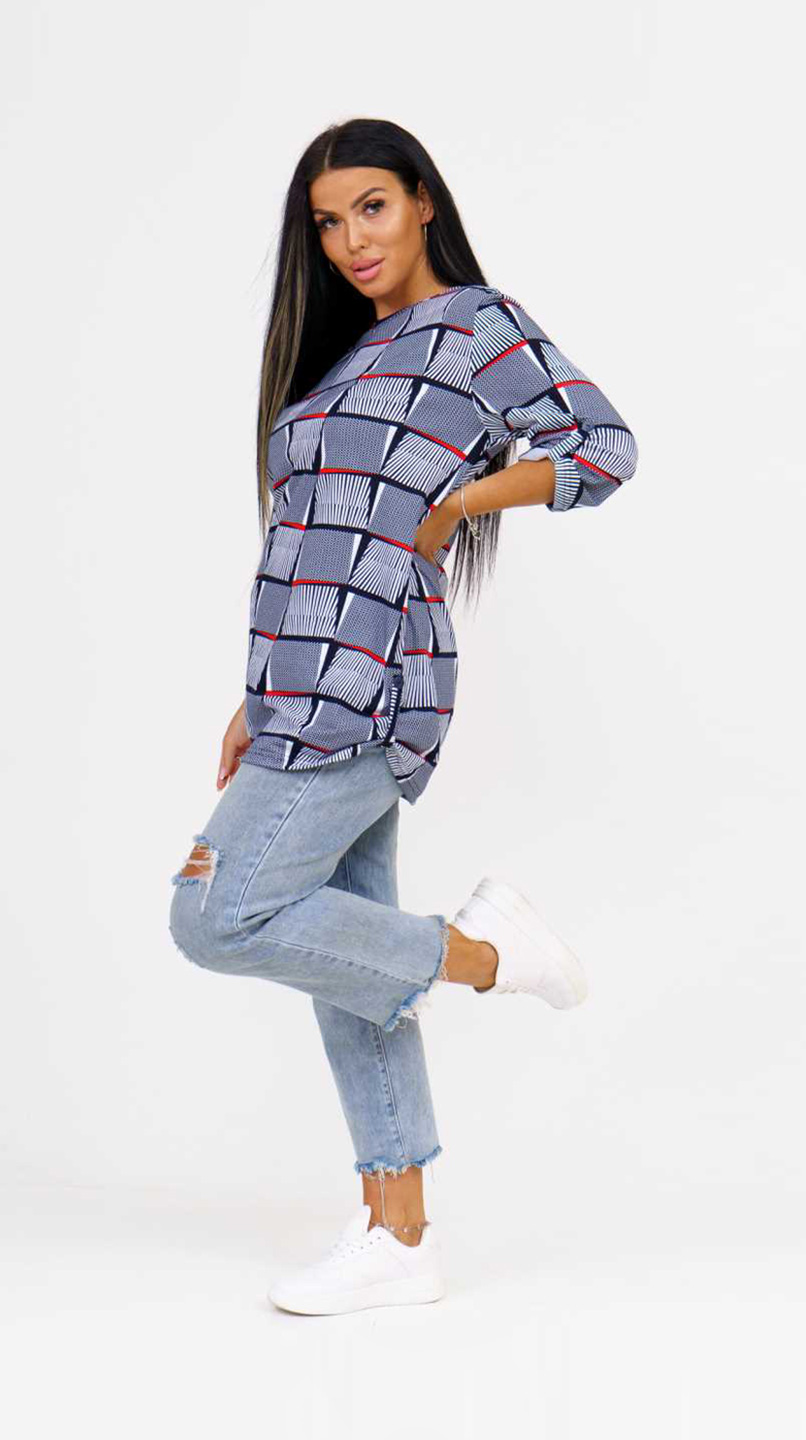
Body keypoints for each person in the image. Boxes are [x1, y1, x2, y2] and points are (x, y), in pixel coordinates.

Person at [168, 117, 638, 1316]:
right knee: (349, 964)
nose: (351, 240)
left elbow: (604, 446)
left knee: (214, 914)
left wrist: (466, 499)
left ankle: (489, 957)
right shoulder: (344, 358)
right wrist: (253, 694)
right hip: (297, 685)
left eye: (371, 207)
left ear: (424, 200)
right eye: (329, 223)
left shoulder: (475, 327)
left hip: (372, 683)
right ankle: (400, 1235)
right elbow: (310, 539)